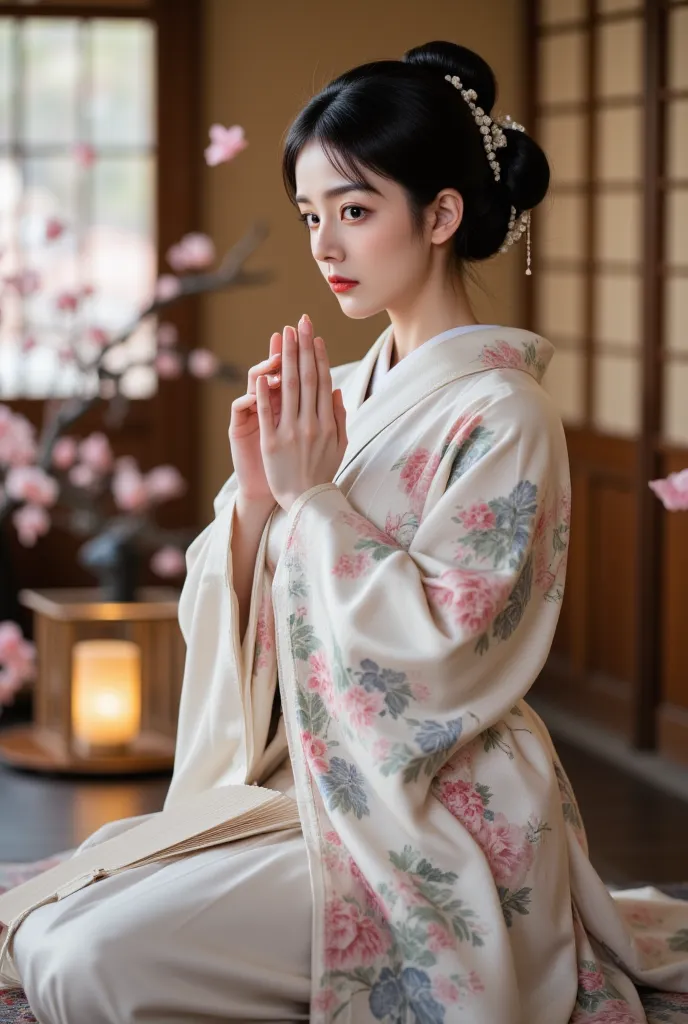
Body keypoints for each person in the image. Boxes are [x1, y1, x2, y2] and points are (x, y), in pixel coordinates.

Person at [11, 39, 688, 1024]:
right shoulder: (332, 397)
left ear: (442, 214)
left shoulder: (504, 415)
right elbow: (236, 599)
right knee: (49, 931)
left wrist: (316, 501)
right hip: (303, 786)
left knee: (88, 962)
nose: (325, 246)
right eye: (311, 215)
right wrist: (252, 502)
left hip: (429, 806)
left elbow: (447, 649)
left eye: (356, 211)